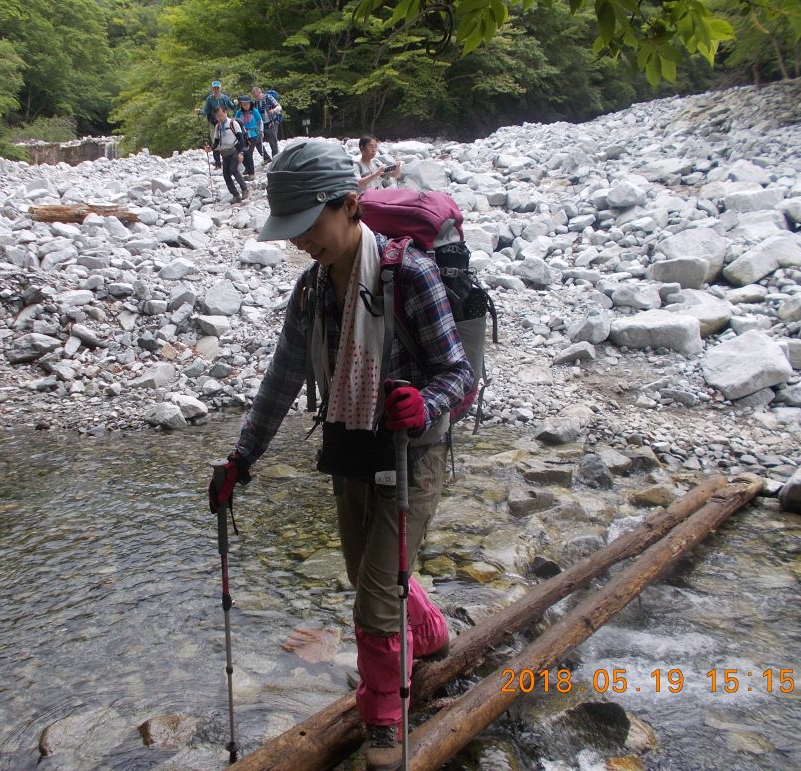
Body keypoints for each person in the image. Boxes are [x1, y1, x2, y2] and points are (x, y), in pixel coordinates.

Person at [207, 141, 473, 769]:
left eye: (308, 226)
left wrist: (425, 404)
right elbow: (281, 381)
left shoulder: (410, 275)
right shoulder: (312, 291)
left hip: (413, 454)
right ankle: (429, 632)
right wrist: (242, 460)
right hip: (351, 446)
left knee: (374, 596)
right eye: (291, 231)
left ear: (350, 206)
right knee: (367, 577)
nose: (300, 241)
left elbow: (458, 374)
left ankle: (384, 725)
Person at [207, 105, 249, 204]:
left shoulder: (233, 123)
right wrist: (210, 148)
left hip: (235, 150)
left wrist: (241, 153)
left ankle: (245, 189)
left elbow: (241, 140)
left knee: (233, 169)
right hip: (225, 152)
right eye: (217, 116)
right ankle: (236, 195)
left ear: (225, 113)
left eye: (221, 115)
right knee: (226, 174)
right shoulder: (218, 127)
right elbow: (216, 142)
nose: (219, 118)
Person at [200, 81, 236, 169]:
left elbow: (231, 106)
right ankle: (218, 163)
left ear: (220, 88)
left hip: (224, 121)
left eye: (217, 87)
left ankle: (227, 160)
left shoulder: (225, 98)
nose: (216, 89)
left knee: (226, 140)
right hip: (213, 122)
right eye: (214, 87)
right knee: (215, 140)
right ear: (212, 88)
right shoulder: (210, 99)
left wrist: (235, 104)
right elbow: (206, 109)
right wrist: (200, 112)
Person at [234, 95, 265, 180]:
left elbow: (260, 121)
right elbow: (235, 123)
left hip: (252, 134)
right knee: (243, 152)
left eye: (247, 104)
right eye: (243, 104)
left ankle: (251, 172)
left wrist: (261, 131)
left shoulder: (254, 111)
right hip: (242, 134)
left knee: (249, 153)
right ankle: (247, 169)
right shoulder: (239, 112)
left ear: (250, 103)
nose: (245, 105)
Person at [252, 86, 282, 161]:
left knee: (273, 142)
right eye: (255, 96)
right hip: (261, 124)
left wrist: (273, 110)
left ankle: (275, 159)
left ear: (260, 92)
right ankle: (266, 158)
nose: (257, 98)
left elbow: (279, 107)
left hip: (271, 122)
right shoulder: (256, 102)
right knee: (257, 141)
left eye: (257, 96)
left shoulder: (268, 97)